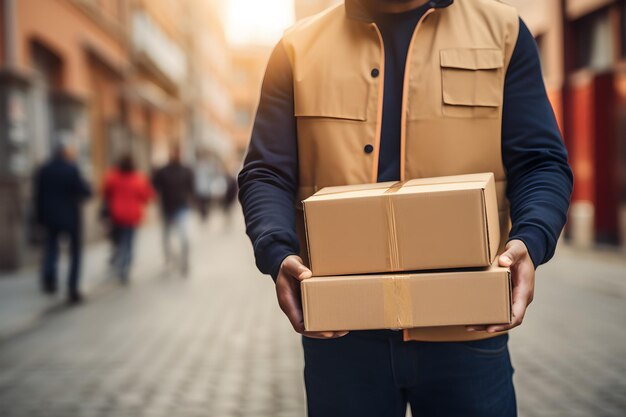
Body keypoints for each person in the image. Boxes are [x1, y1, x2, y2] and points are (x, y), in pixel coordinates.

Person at [238, 1, 574, 416]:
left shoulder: (503, 32)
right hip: (342, 332)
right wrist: (277, 251)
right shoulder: (296, 48)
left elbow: (540, 161)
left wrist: (532, 238)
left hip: (467, 327)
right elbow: (265, 172)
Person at [34, 139, 92, 304]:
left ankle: (49, 276)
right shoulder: (72, 169)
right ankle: (72, 288)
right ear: (65, 152)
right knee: (75, 253)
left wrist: (39, 218)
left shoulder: (44, 169)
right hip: (70, 217)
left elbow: (38, 196)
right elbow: (84, 191)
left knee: (51, 247)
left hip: (50, 217)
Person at [103, 154, 154, 283]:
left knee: (119, 241)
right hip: (131, 215)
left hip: (116, 214)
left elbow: (105, 191)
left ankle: (119, 261)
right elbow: (147, 195)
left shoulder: (113, 176)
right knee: (129, 243)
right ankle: (124, 267)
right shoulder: (137, 178)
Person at [152, 146, 194, 275]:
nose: (174, 154)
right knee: (166, 239)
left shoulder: (186, 170)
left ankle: (184, 262)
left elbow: (191, 188)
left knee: (184, 237)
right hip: (166, 209)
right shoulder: (162, 171)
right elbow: (154, 186)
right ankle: (169, 260)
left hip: (181, 208)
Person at [193, 150, 219, 222]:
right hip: (199, 189)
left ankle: (205, 215)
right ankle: (203, 215)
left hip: (206, 189)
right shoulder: (197, 167)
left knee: (205, 203)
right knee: (201, 204)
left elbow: (213, 175)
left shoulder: (207, 167)